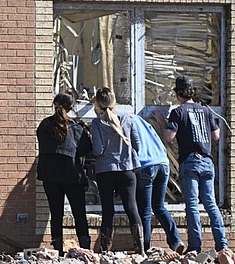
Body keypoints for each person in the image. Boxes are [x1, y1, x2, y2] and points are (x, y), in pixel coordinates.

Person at [161, 75, 235, 264]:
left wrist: (162, 122)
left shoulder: (178, 112)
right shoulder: (206, 110)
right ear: (192, 92)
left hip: (190, 161)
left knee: (192, 205)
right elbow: (216, 135)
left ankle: (195, 246)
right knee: (211, 204)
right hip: (207, 162)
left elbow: (169, 137)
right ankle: (222, 245)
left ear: (178, 93)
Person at [90, 88, 145, 255]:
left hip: (106, 171)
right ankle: (140, 248)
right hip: (127, 169)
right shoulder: (127, 119)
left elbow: (98, 150)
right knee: (131, 207)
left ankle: (105, 249)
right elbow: (137, 145)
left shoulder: (97, 123)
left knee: (108, 210)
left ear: (97, 104)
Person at [36, 93, 92, 254]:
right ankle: (86, 250)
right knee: (79, 213)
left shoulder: (44, 126)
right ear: (71, 107)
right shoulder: (76, 128)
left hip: (50, 176)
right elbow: (86, 149)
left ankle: (58, 251)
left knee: (56, 213)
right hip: (72, 175)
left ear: (54, 104)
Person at [131, 114, 185, 254]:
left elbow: (133, 144)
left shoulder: (126, 121)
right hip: (163, 163)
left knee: (146, 211)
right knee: (159, 206)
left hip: (146, 166)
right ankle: (176, 240)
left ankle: (145, 248)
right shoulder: (143, 122)